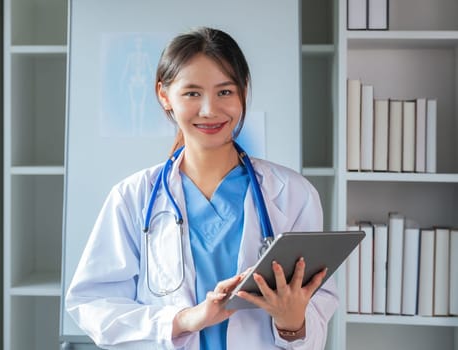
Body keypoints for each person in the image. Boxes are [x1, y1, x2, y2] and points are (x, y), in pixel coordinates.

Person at [65, 27, 338, 350]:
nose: (209, 110)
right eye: (192, 93)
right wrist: (184, 320)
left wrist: (291, 322)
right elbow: (93, 306)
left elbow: (316, 316)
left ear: (243, 92)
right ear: (164, 95)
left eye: (225, 92)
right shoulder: (132, 198)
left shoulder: (292, 194)